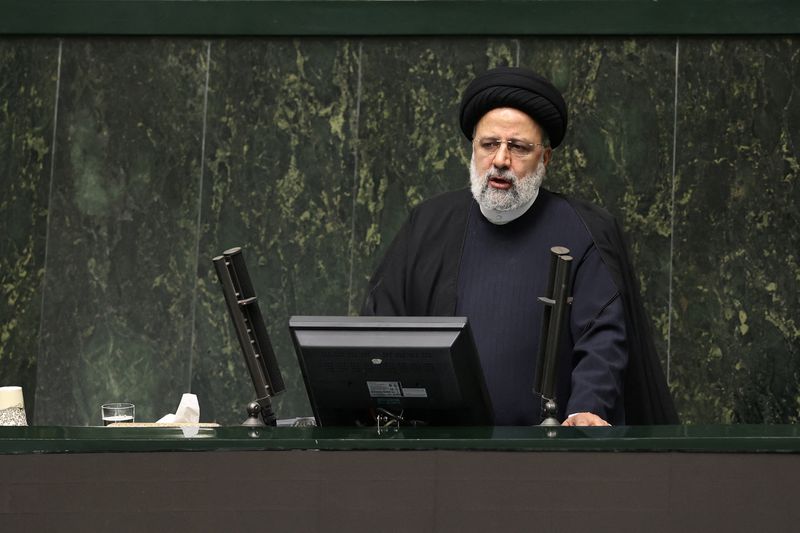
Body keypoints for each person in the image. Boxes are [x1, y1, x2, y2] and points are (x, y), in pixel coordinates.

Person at [362, 66, 678, 426]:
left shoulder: (583, 229)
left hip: (543, 459)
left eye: (518, 147)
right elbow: (380, 326)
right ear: (473, 149)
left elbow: (603, 337)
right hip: (439, 453)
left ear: (545, 158)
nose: (500, 160)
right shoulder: (429, 223)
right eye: (489, 144)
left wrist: (587, 408)